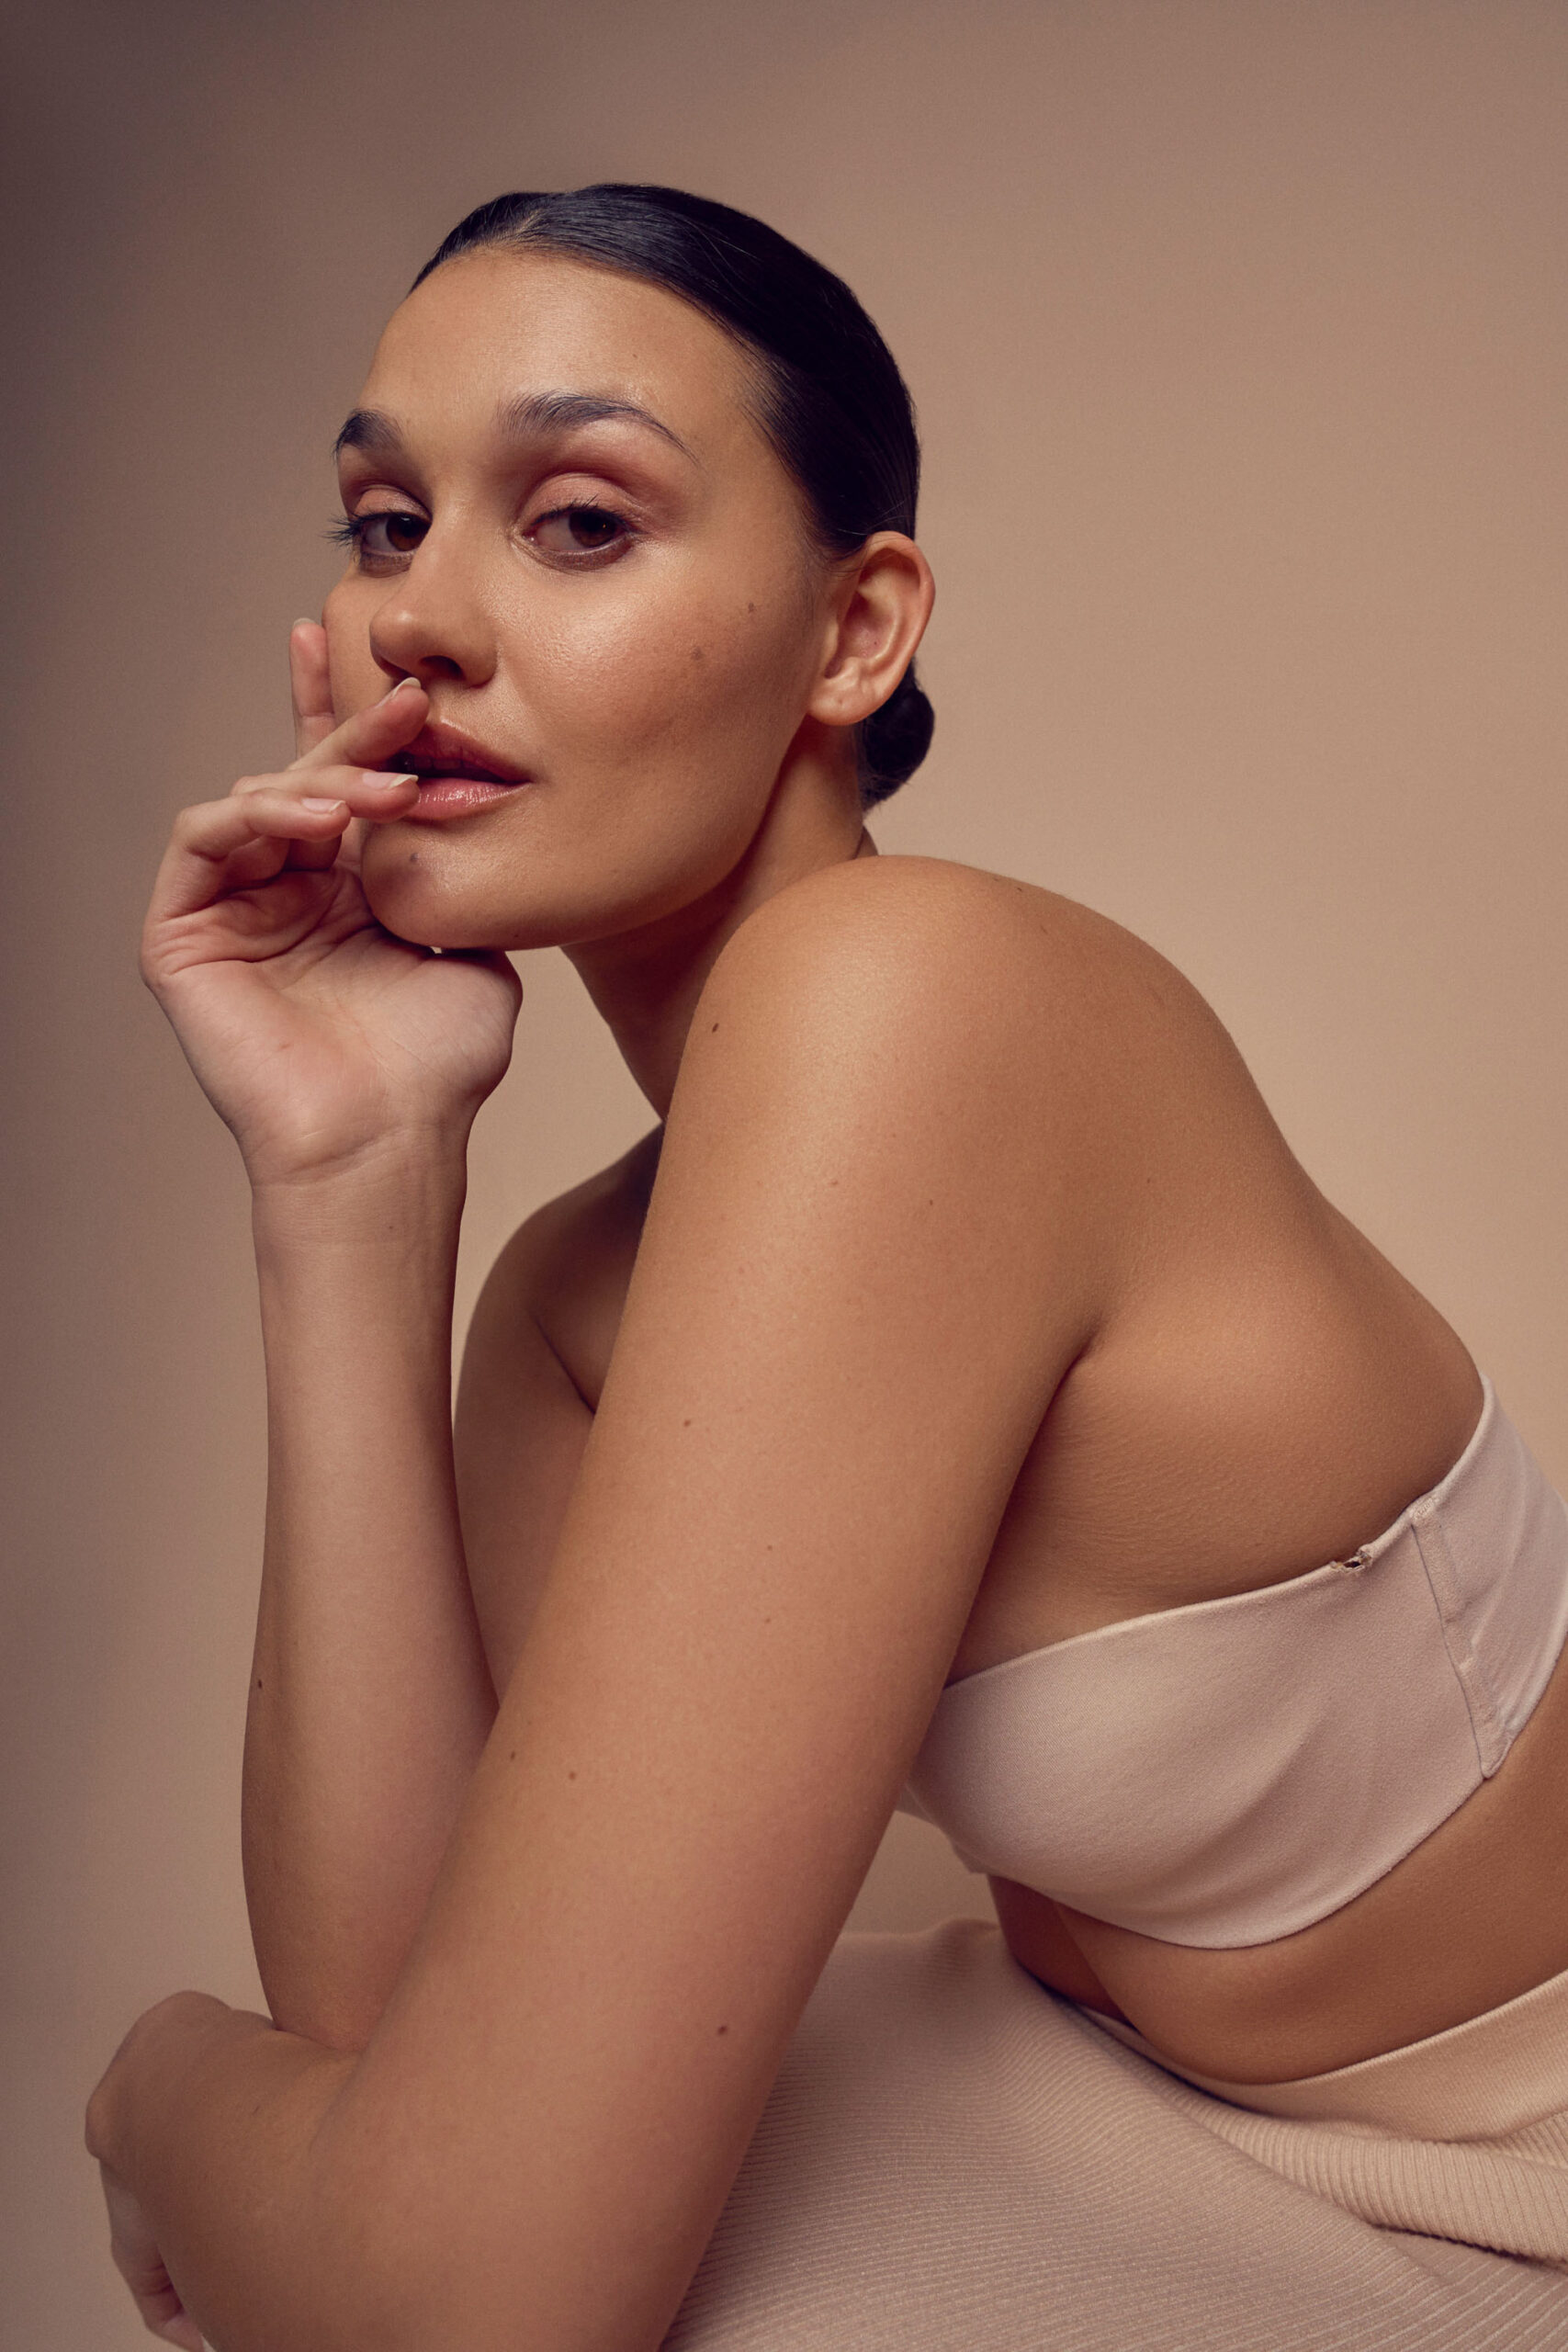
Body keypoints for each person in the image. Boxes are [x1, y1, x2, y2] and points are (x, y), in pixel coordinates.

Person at [87, 185, 1568, 2351]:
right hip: (1168, 2121)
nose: (421, 619)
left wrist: (143, 2085)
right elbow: (399, 2071)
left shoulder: (910, 998)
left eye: (577, 518)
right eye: (384, 519)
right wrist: (348, 1173)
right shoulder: (581, 1307)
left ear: (854, 631)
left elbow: (455, 2292)